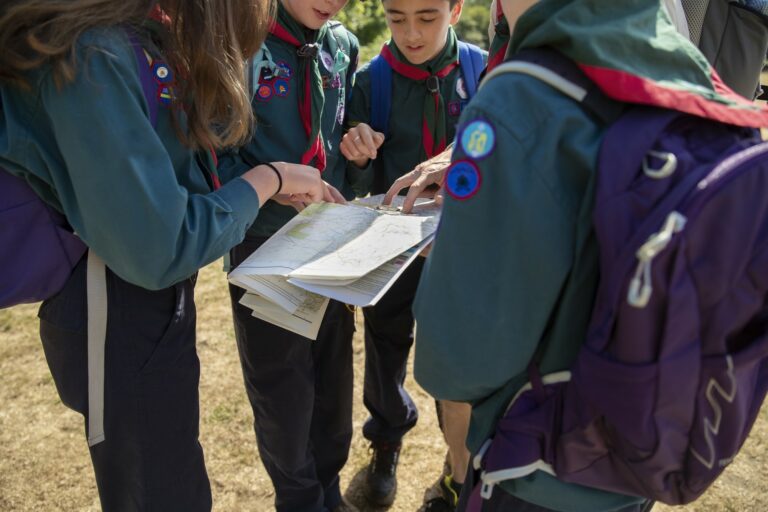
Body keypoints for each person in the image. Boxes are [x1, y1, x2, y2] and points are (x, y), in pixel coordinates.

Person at [411, 0, 768, 511]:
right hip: (636, 450)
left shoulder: (517, 98)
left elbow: (456, 363)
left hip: (537, 469)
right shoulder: (690, 69)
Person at [0, 1, 342, 510]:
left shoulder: (127, 38)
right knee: (161, 489)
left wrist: (256, 184)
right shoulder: (94, 52)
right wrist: (266, 179)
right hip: (114, 301)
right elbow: (160, 247)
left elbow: (175, 174)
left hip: (143, 302)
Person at [216, 1, 359, 511]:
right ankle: (299, 500)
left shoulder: (341, 46)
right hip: (264, 246)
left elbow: (341, 138)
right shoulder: (239, 41)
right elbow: (213, 149)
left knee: (333, 379)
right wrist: (264, 185)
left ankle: (331, 490)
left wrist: (359, 144)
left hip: (330, 242)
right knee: (284, 391)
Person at [339, 0, 478, 508]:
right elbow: (356, 177)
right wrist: (356, 153)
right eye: (397, 18)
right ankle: (385, 440)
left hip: (462, 253)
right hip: (394, 252)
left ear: (456, 9)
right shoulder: (368, 84)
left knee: (459, 359)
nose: (412, 33)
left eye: (427, 16)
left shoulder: (487, 74)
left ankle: (459, 456)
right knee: (385, 344)